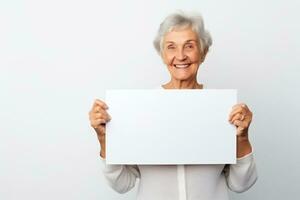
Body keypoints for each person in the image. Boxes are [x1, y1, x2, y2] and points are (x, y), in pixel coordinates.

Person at [88, 11, 257, 200]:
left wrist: (242, 137)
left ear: (203, 52)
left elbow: (241, 184)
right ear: (162, 55)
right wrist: (104, 138)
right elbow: (122, 183)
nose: (181, 56)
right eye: (171, 47)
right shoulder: (140, 108)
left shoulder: (224, 109)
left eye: (189, 46)